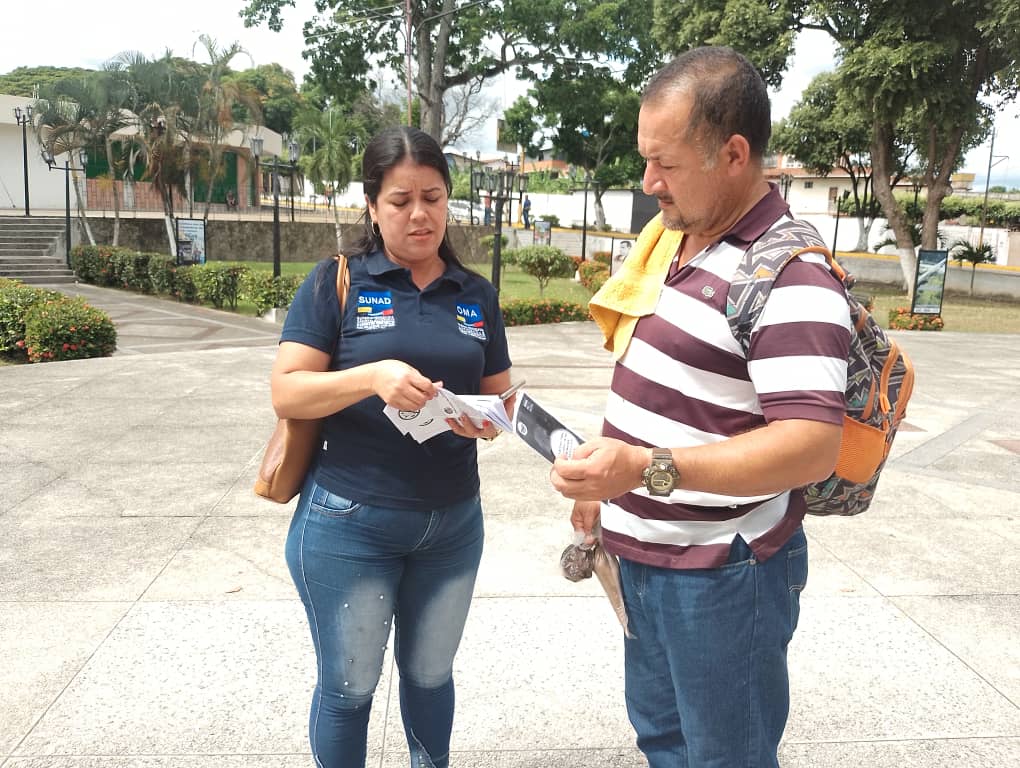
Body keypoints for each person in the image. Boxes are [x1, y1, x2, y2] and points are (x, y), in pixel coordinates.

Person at [550, 46, 852, 768]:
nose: (649, 182)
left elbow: (812, 446)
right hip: (642, 556)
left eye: (667, 163)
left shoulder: (790, 275)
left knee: (724, 756)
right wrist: (607, 486)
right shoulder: (674, 240)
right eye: (645, 159)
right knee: (663, 742)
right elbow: (658, 383)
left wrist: (644, 468)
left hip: (722, 576)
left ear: (734, 154)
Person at [273, 126, 513, 768]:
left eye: (433, 198)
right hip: (350, 520)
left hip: (453, 523)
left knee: (432, 677)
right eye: (401, 201)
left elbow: (500, 397)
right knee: (349, 689)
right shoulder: (337, 281)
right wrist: (371, 376)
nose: (419, 215)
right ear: (373, 206)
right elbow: (287, 391)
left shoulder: (475, 294)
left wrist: (486, 421)